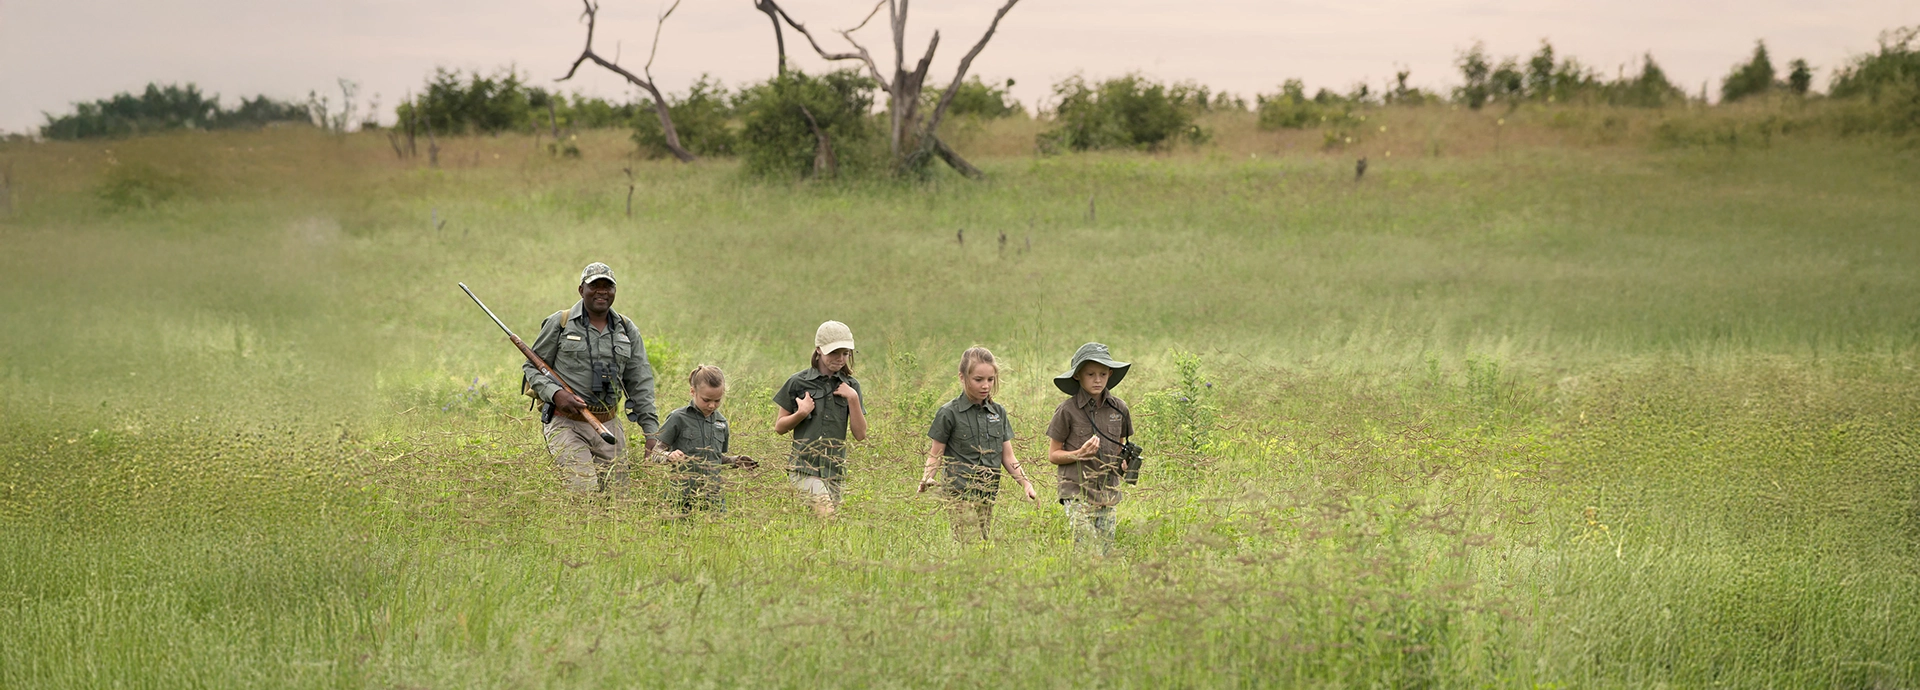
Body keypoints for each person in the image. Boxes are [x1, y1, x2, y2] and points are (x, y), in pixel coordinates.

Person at [523, 262, 658, 493]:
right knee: (582, 489)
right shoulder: (560, 323)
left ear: (615, 291)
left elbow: (641, 382)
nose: (602, 292)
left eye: (608, 286)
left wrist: (651, 433)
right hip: (566, 422)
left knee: (617, 499)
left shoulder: (626, 329)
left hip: (609, 425)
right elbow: (533, 367)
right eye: (594, 285)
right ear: (581, 290)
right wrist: (556, 394)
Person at [919, 347, 1038, 543]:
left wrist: (1026, 483)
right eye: (978, 380)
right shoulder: (949, 413)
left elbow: (1008, 456)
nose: (985, 386)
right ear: (962, 377)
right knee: (966, 542)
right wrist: (927, 477)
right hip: (959, 492)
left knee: (983, 542)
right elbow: (935, 454)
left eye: (990, 380)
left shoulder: (998, 412)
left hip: (988, 492)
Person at [1045, 342, 1135, 556]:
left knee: (1104, 550)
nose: (1097, 380)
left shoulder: (1119, 408)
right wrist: (1078, 454)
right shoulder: (1067, 410)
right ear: (1077, 376)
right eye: (1091, 374)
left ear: (1110, 374)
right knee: (1087, 548)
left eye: (1103, 374)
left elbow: (1121, 443)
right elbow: (1053, 454)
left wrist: (1125, 461)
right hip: (1077, 491)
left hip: (1108, 491)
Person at [772, 321, 869, 516]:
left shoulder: (851, 386)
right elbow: (780, 427)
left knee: (824, 527)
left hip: (834, 471)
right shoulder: (797, 382)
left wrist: (853, 399)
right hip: (804, 467)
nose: (840, 359)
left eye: (845, 353)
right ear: (818, 350)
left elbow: (860, 434)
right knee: (827, 514)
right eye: (834, 353)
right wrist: (800, 413)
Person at [653, 365, 756, 514]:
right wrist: (668, 456)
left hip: (713, 498)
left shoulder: (722, 423)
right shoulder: (678, 418)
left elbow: (716, 457)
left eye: (717, 400)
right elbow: (655, 452)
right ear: (692, 391)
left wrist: (736, 461)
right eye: (706, 400)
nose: (712, 405)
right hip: (681, 496)